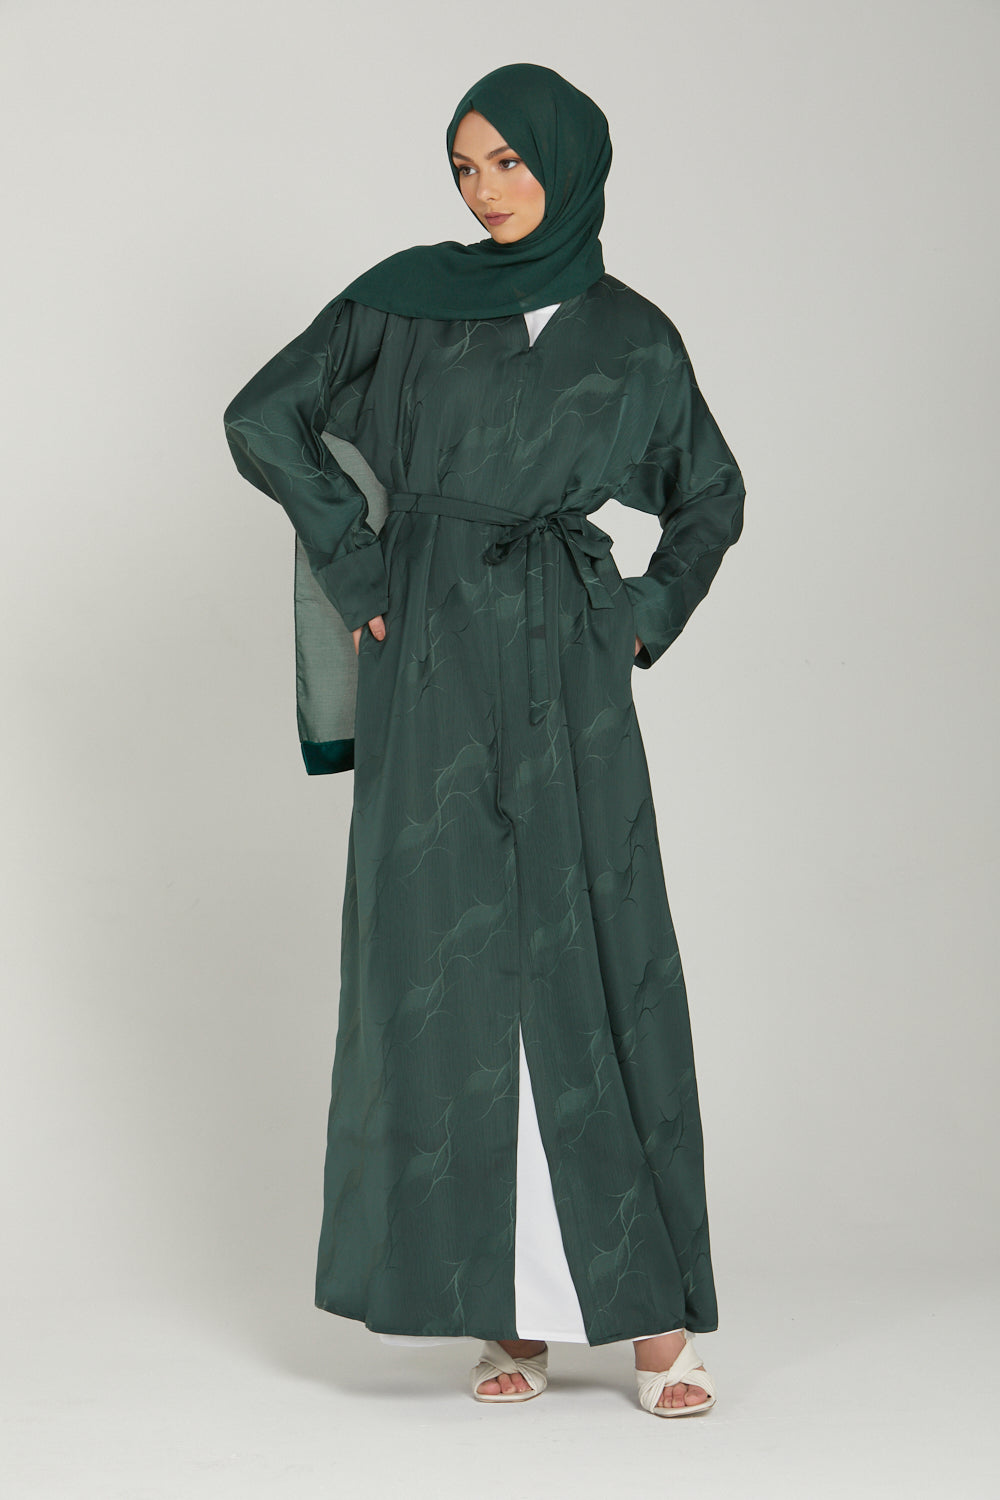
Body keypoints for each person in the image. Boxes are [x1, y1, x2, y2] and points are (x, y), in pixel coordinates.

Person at [223, 62, 745, 1418]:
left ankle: (652, 1325)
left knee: (595, 949)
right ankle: (502, 1312)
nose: (484, 191)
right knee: (445, 960)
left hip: (567, 660)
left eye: (508, 161)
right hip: (431, 655)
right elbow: (262, 416)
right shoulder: (408, 302)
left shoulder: (633, 338)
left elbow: (711, 494)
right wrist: (357, 567)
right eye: (464, 167)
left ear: (568, 163)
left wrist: (640, 618)